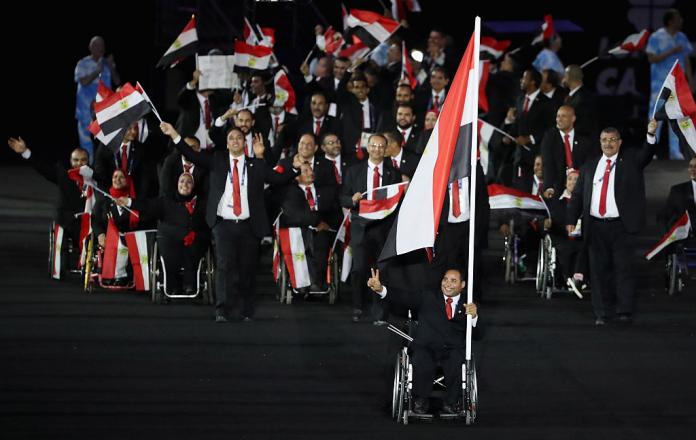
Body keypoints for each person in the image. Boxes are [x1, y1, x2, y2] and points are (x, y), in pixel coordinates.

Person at [160, 121, 302, 322]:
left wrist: (295, 169)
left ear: (245, 143)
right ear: (226, 144)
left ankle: (246, 311)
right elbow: (191, 154)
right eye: (231, 138)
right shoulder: (217, 160)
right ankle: (221, 310)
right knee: (224, 266)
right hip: (223, 224)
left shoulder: (255, 165)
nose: (235, 140)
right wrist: (174, 133)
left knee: (247, 269)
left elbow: (278, 179)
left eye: (239, 138)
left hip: (249, 226)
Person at [566, 120, 658, 325]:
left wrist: (650, 135)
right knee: (598, 272)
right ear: (600, 142)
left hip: (621, 226)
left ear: (620, 142)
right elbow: (578, 195)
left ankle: (624, 311)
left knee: (623, 269)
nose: (608, 144)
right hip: (595, 227)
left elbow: (647, 154)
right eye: (605, 140)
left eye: (612, 140)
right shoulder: (590, 165)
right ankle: (602, 313)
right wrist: (571, 219)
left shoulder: (631, 161)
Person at [367, 268, 478, 415]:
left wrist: (474, 316)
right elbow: (403, 297)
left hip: (452, 349)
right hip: (426, 346)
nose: (448, 284)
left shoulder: (467, 305)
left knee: (457, 360)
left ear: (462, 284)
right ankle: (420, 400)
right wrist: (381, 289)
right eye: (445, 279)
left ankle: (451, 402)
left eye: (453, 280)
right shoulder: (428, 297)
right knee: (421, 358)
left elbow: (479, 333)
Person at [7, 137, 92, 277]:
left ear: (88, 161)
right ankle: (59, 268)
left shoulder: (94, 176)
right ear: (70, 161)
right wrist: (25, 152)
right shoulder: (63, 174)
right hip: (67, 221)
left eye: (83, 160)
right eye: (76, 160)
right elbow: (43, 168)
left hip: (88, 222)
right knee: (61, 230)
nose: (79, 163)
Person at [340, 134, 402, 323]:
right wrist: (352, 200)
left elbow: (398, 202)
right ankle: (358, 307)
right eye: (373, 145)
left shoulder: (393, 173)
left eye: (381, 146)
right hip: (361, 227)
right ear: (367, 147)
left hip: (383, 229)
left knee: (382, 270)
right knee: (359, 269)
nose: (377, 149)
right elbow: (342, 196)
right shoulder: (353, 171)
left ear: (386, 149)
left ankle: (380, 312)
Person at [118, 172, 210, 296]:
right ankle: (172, 285)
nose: (185, 184)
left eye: (189, 182)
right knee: (170, 248)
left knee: (195, 245)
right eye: (182, 181)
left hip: (193, 241)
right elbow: (147, 205)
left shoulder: (201, 203)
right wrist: (128, 202)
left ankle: (190, 284)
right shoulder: (166, 200)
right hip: (170, 240)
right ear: (177, 184)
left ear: (193, 186)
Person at [646, 9, 693, 160]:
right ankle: (651, 149)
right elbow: (652, 59)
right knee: (655, 117)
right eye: (679, 18)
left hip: (678, 86)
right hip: (659, 85)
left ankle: (675, 151)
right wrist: (671, 51)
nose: (682, 21)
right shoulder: (656, 37)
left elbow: (686, 61)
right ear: (671, 21)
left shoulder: (682, 37)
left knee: (676, 115)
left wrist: (690, 82)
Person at [74, 36, 120, 160]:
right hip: (85, 112)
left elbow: (117, 81)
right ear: (90, 47)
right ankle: (87, 170)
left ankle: (101, 170)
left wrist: (110, 66)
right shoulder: (82, 63)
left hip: (104, 110)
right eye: (96, 45)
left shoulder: (107, 63)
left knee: (105, 142)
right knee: (86, 143)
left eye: (102, 45)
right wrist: (97, 70)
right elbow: (83, 82)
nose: (100, 48)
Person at [541, 105, 592, 199]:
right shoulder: (549, 138)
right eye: (558, 116)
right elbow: (548, 164)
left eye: (563, 116)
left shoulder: (584, 138)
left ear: (573, 118)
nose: (559, 119)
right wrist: (548, 187)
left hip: (581, 185)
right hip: (558, 187)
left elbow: (589, 163)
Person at [658, 157, 696, 232]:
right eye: (691, 166)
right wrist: (667, 237)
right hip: (686, 241)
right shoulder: (678, 191)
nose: (692, 169)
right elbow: (663, 217)